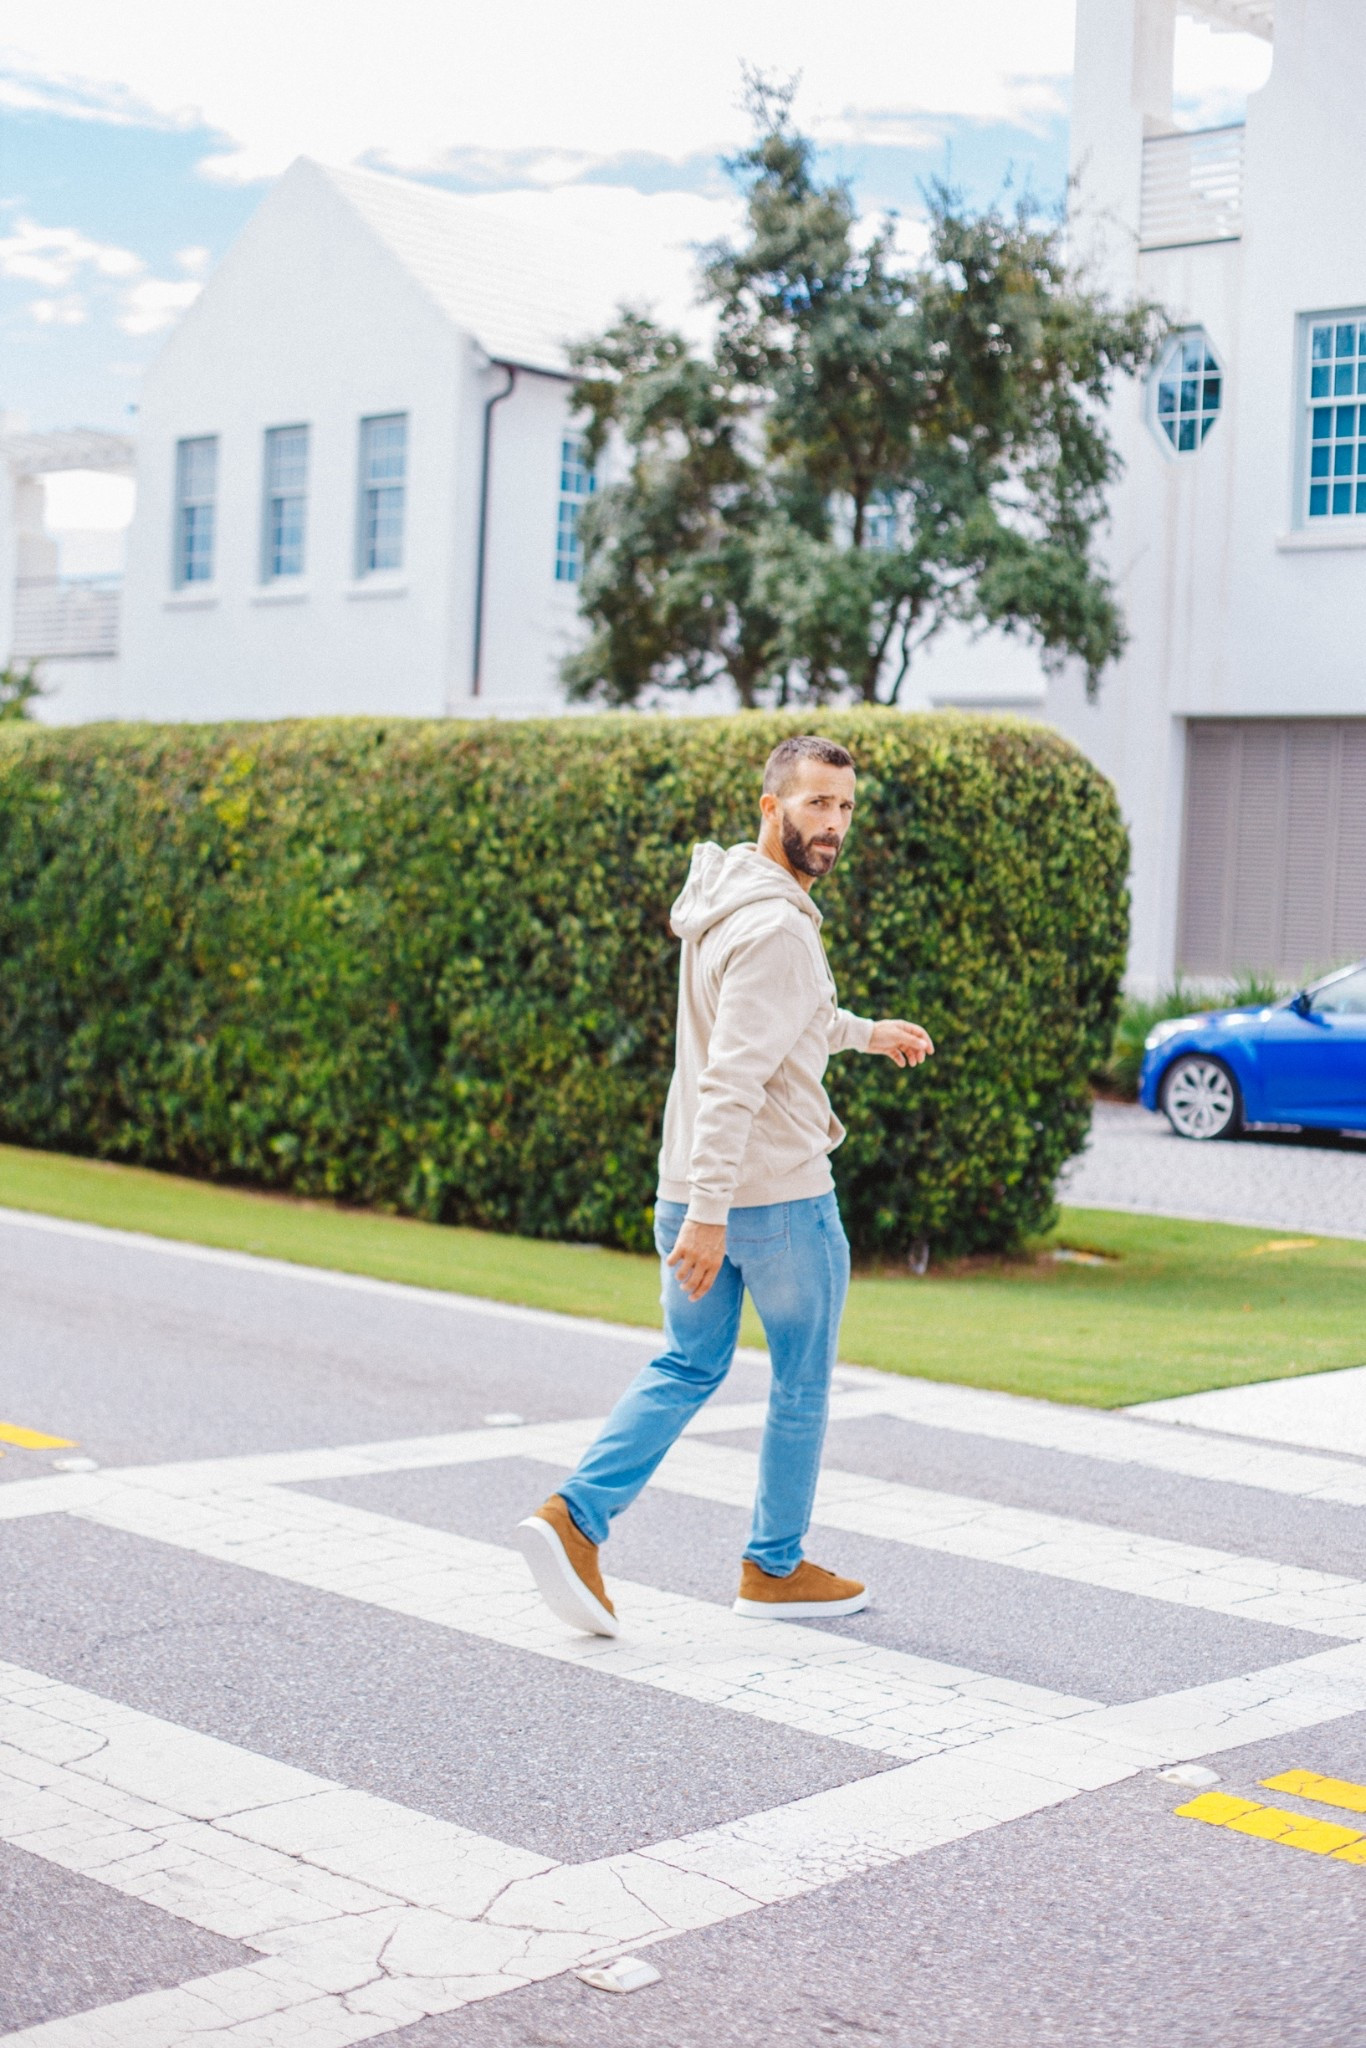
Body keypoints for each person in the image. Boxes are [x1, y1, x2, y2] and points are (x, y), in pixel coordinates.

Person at [516, 734, 934, 1635]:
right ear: (770, 806)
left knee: (687, 1362)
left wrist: (865, 1034)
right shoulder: (779, 925)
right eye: (816, 803)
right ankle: (772, 1568)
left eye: (845, 807)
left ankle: (575, 1517)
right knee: (800, 1383)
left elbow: (782, 1025)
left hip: (692, 1185)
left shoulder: (725, 898)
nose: (832, 824)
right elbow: (736, 1079)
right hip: (772, 1198)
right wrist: (710, 1218)